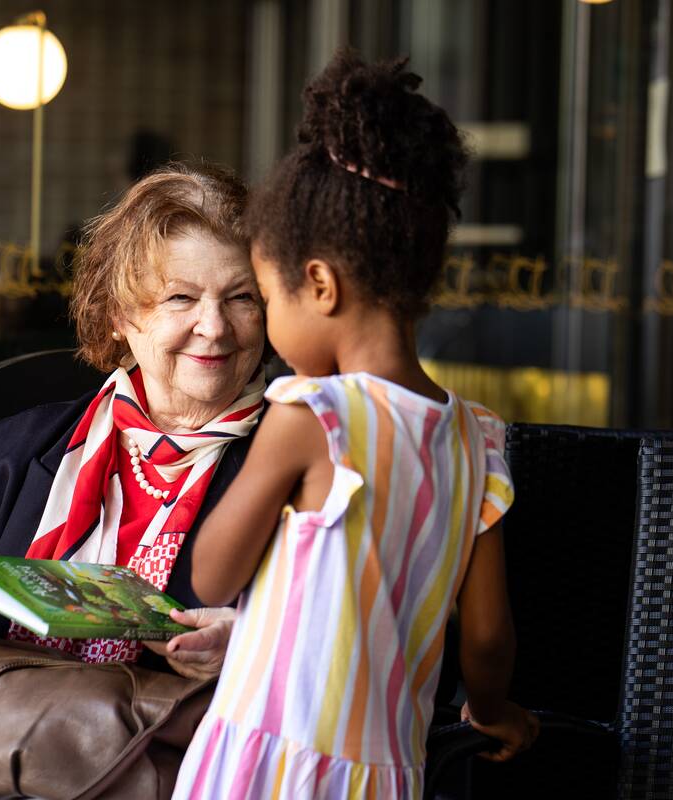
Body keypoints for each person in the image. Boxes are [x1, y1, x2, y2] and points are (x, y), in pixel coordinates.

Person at [172, 53, 539, 799]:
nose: (268, 325)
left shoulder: (314, 414)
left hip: (270, 763)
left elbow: (211, 574)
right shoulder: (478, 439)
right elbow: (487, 635)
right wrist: (493, 711)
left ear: (319, 285)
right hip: (388, 774)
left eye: (266, 297)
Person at [0, 162, 267, 701]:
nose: (214, 327)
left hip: (186, 749)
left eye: (241, 297)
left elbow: (351, 653)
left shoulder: (300, 460)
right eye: (181, 298)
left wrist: (254, 649)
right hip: (13, 741)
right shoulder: (20, 451)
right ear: (120, 316)